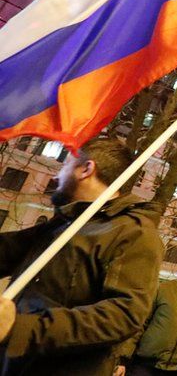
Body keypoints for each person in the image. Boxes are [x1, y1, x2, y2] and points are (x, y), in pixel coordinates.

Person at [0, 137, 164, 376]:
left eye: (66, 164)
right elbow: (8, 249)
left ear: (87, 169)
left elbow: (123, 315)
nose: (57, 175)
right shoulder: (63, 225)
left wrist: (21, 328)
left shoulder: (134, 233)